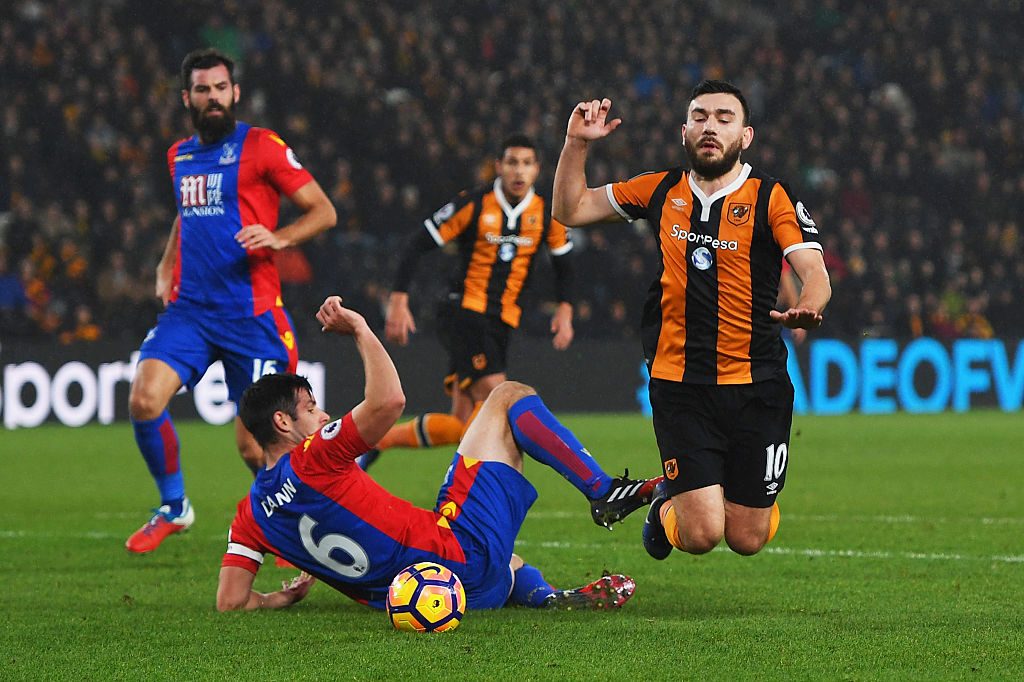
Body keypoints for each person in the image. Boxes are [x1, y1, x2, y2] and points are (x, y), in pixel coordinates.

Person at [216, 296, 661, 612]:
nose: (323, 415)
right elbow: (389, 400)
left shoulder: (249, 515)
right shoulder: (313, 457)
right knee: (507, 396)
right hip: (457, 561)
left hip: (423, 592)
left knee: (502, 557)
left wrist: (280, 598)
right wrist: (360, 329)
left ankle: (544, 597)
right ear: (282, 424)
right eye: (311, 410)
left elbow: (231, 601)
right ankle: (603, 490)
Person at [551, 80, 832, 559]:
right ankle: (665, 507)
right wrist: (576, 144)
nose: (710, 127)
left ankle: (726, 498)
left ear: (745, 136)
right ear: (685, 131)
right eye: (700, 117)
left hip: (758, 385)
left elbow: (815, 271)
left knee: (747, 538)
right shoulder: (660, 190)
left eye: (725, 118)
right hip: (680, 385)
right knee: (702, 536)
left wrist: (810, 303)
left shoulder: (771, 197)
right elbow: (570, 209)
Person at [125, 48, 337, 554]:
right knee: (143, 399)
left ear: (235, 93)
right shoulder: (179, 155)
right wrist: (164, 263)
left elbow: (323, 210)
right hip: (192, 312)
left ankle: (303, 528)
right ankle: (175, 507)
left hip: (254, 317)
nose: (213, 97)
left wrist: (280, 239)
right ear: (187, 98)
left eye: (221, 88)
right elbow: (186, 215)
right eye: (203, 90)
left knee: (257, 445)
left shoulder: (262, 146)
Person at [371, 135, 574, 466]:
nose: (518, 171)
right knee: (505, 400)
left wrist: (565, 309)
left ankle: (377, 441)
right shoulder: (473, 205)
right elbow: (416, 243)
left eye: (526, 163)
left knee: (462, 424)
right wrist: (398, 299)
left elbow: (564, 264)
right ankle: (588, 479)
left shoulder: (545, 214)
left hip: (502, 321)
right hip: (464, 313)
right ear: (498, 167)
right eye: (511, 162)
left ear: (537, 169)